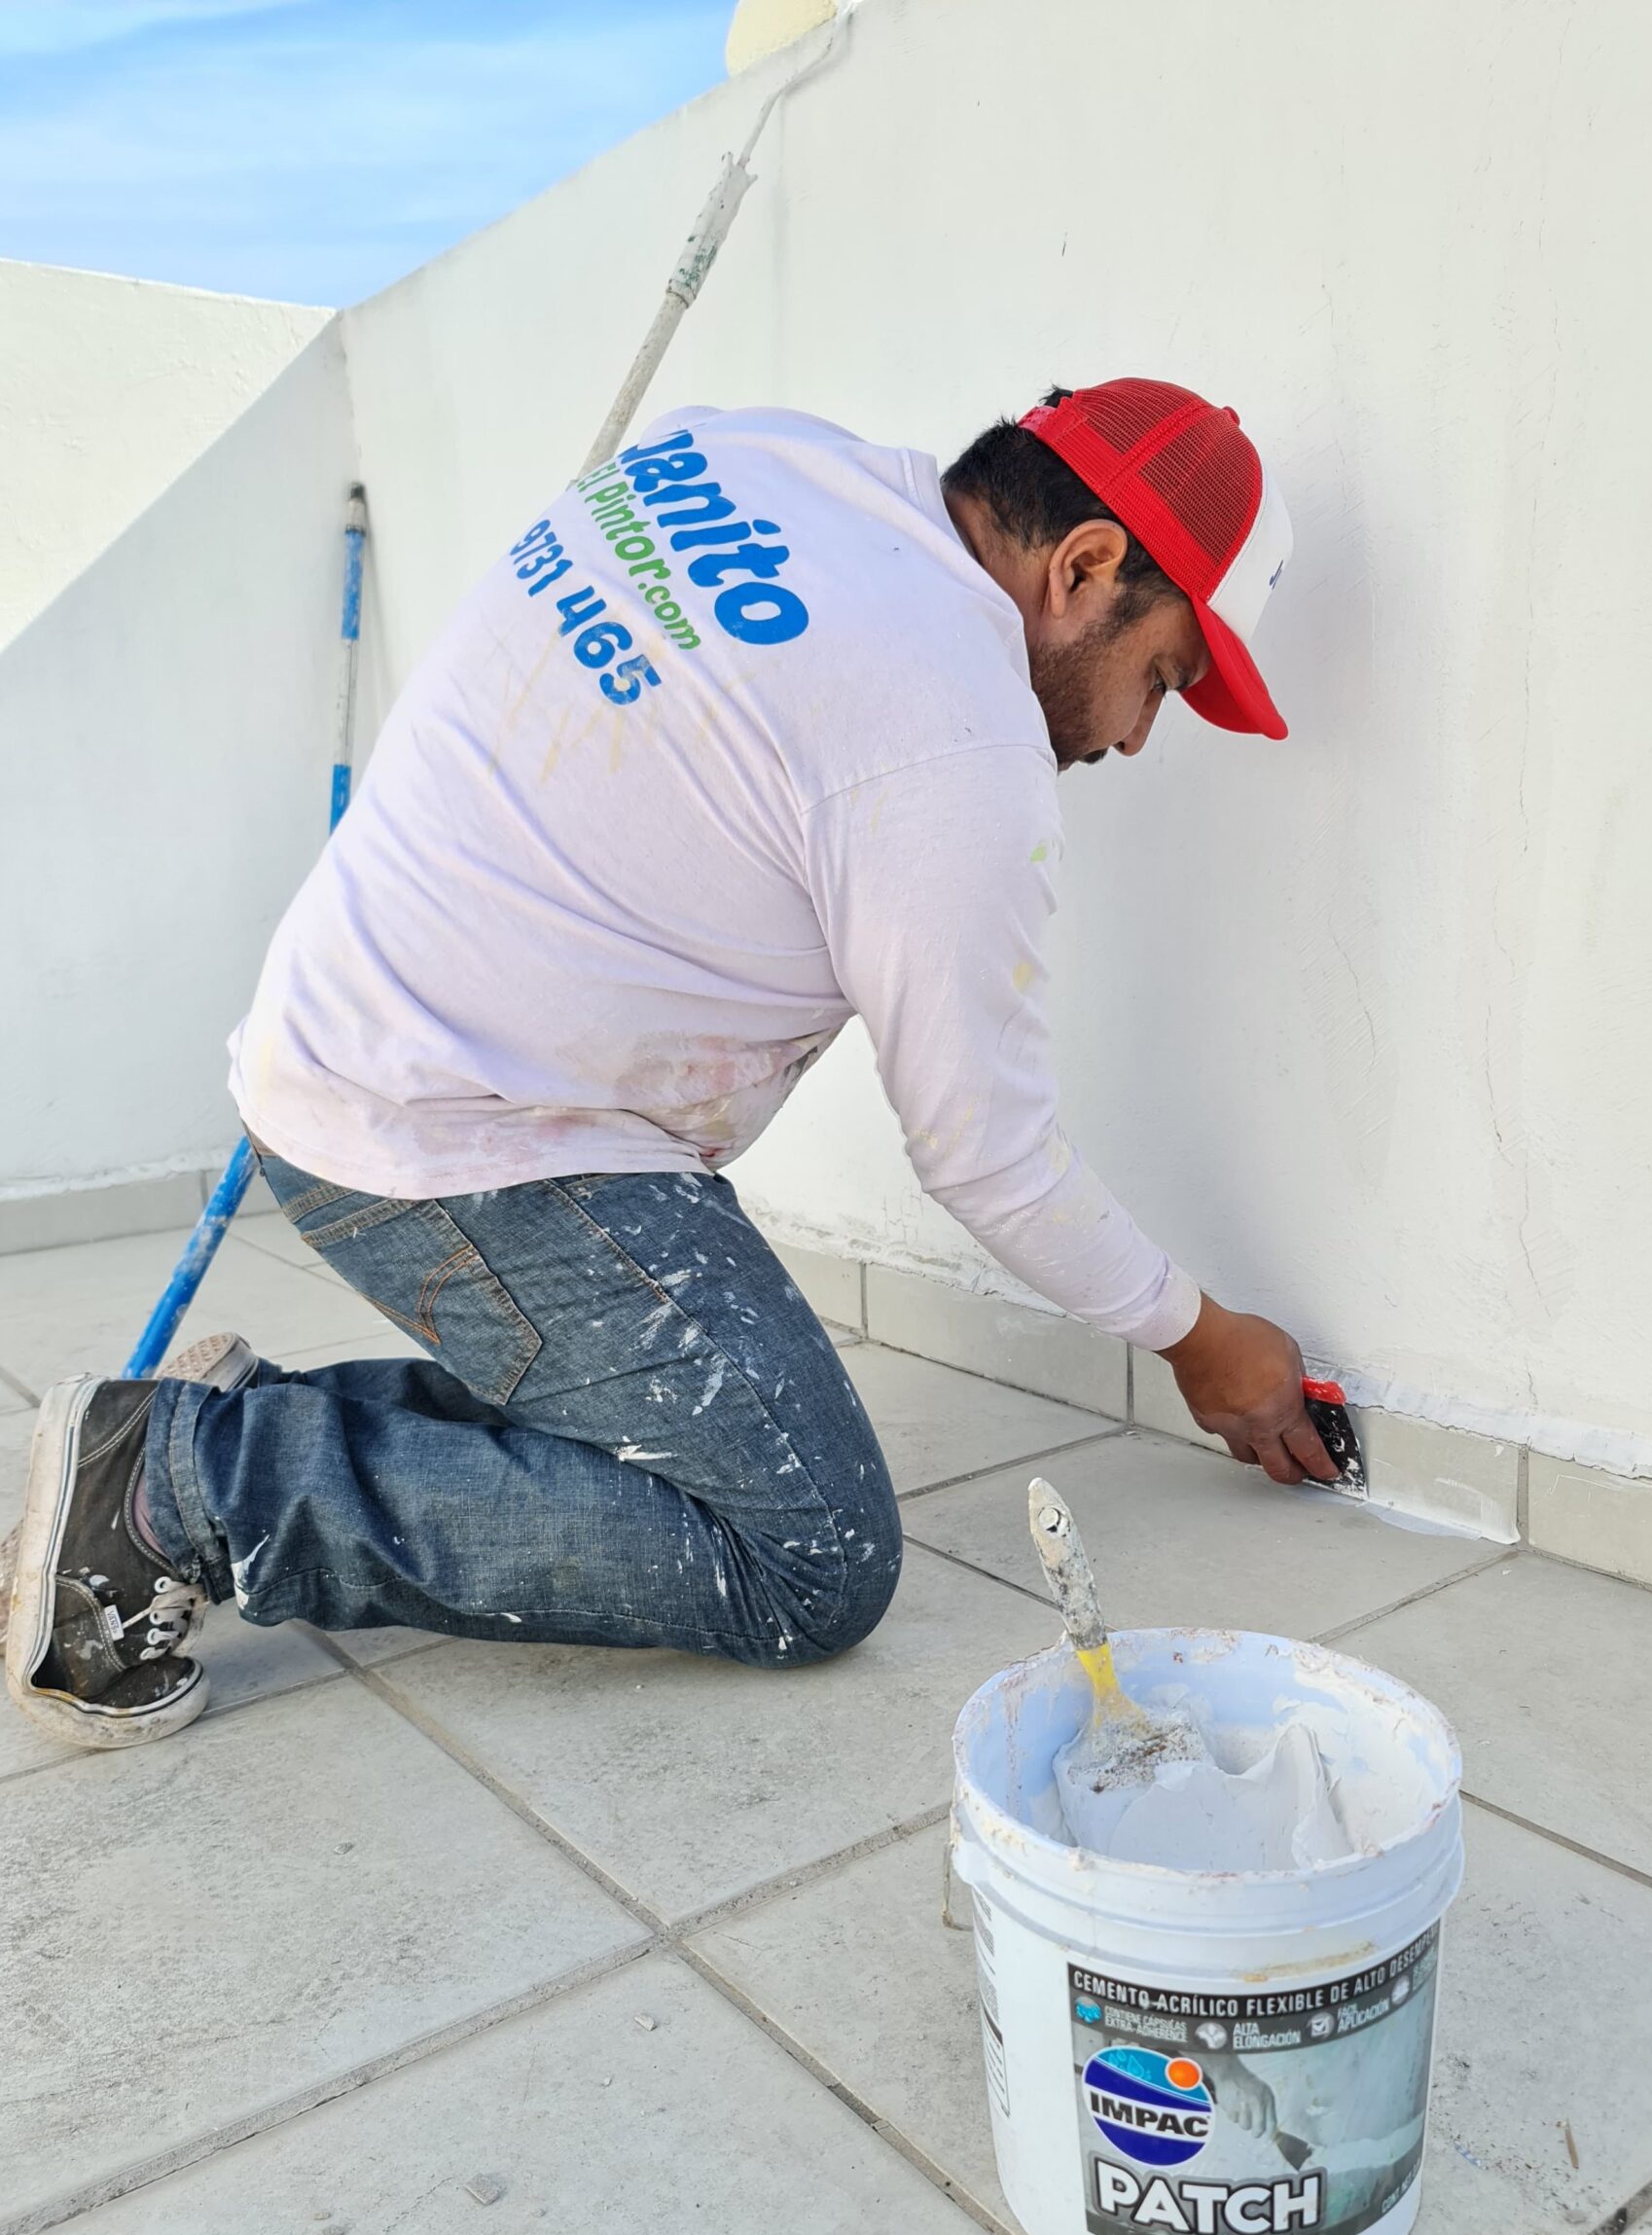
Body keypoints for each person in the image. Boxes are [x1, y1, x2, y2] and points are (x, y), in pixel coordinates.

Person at [5, 378, 1340, 1751]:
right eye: (1161, 677)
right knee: (809, 1555)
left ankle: (240, 1426)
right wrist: (1199, 1337)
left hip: (341, 1050)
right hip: (454, 1140)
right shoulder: (958, 738)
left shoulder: (756, 451)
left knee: (698, 1436)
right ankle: (184, 1489)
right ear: (1087, 566)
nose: (1133, 736)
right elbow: (985, 1156)